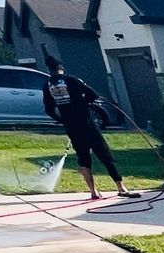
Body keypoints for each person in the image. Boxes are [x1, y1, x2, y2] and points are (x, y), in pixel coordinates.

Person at [40, 56, 132, 200]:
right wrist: (84, 102)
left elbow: (49, 110)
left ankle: (93, 191)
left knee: (83, 157)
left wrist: (63, 120)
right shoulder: (72, 80)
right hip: (87, 123)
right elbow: (93, 94)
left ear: (49, 70)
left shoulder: (47, 86)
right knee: (104, 155)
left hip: (72, 127)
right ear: (61, 68)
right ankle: (121, 187)